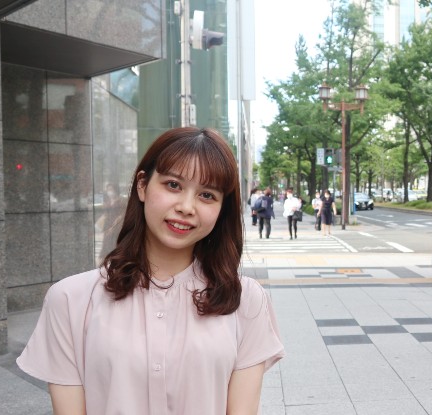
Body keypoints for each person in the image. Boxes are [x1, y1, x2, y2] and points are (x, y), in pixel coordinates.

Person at [16, 127, 284, 414]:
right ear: (142, 185)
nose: (186, 207)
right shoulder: (70, 300)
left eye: (207, 195)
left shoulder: (245, 301)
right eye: (173, 185)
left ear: (221, 210)